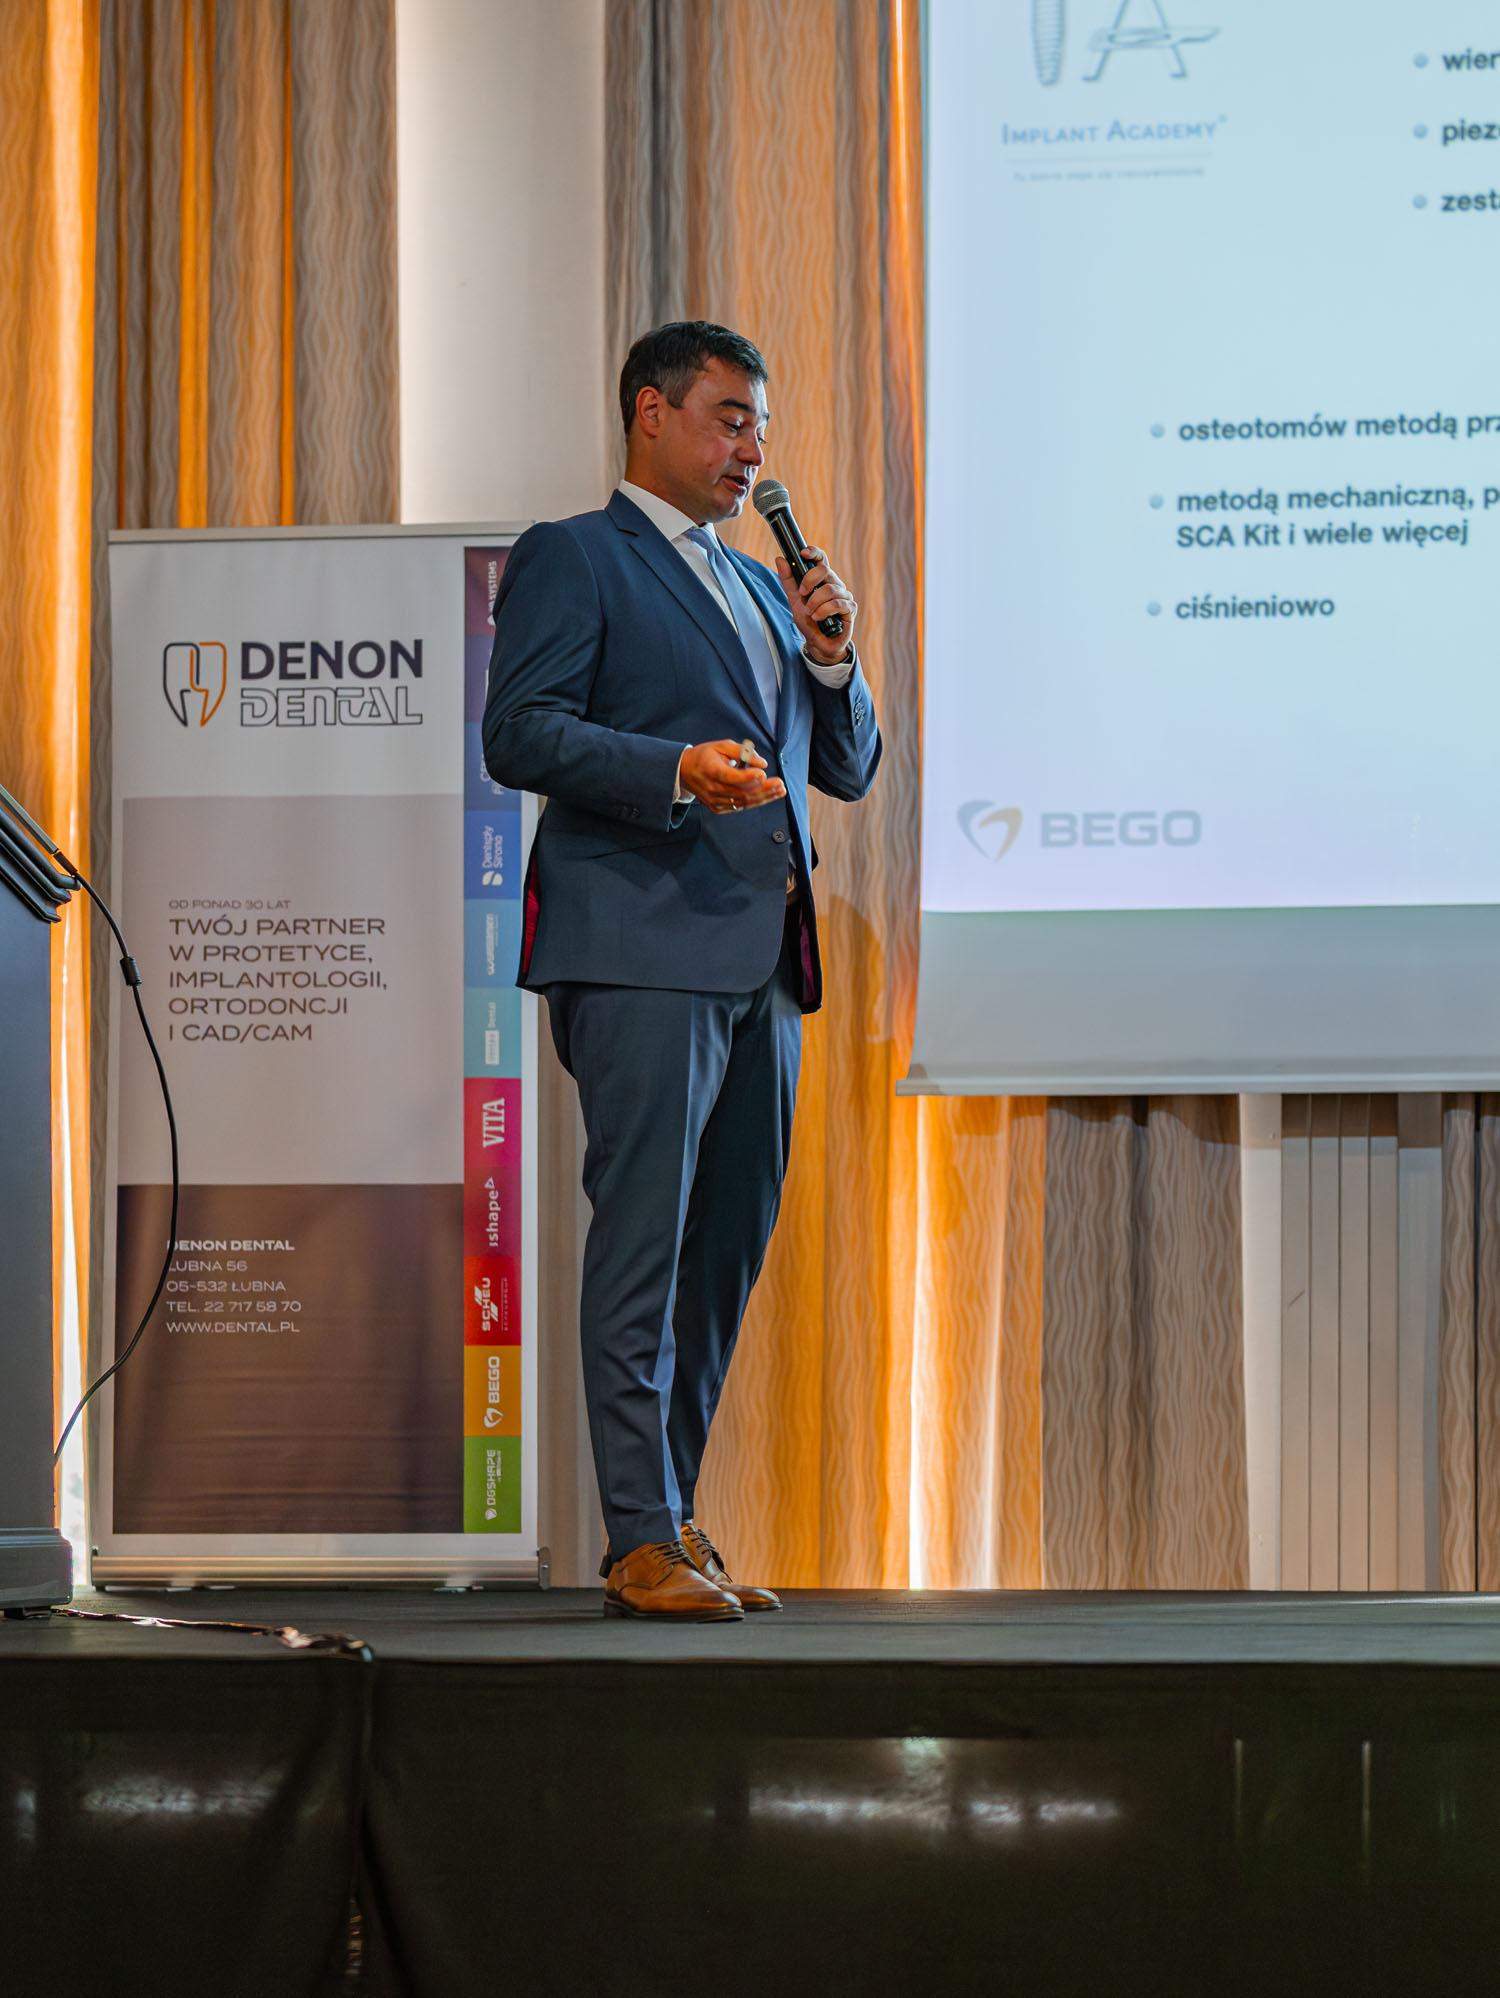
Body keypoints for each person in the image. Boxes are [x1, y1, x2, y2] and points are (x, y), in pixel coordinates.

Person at [484, 321, 882, 1620]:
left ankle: (673, 1519)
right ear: (649, 414)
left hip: (765, 962)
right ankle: (636, 1536)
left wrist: (832, 657)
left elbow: (847, 766)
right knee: (646, 1243)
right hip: (641, 945)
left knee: (720, 1256)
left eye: (759, 424)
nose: (751, 447)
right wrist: (672, 770)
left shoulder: (765, 587)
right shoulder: (575, 556)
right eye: (728, 417)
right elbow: (519, 732)